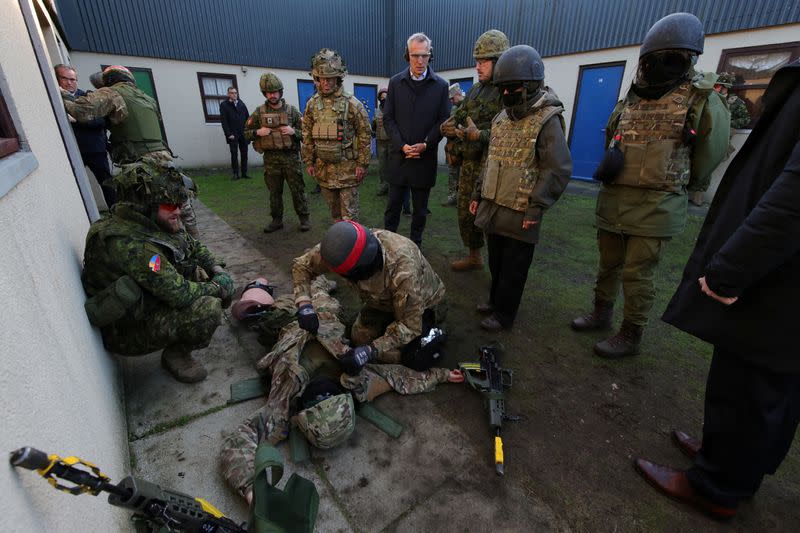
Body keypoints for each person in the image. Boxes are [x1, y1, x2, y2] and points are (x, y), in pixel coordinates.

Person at [634, 61, 800, 520]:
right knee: (775, 385)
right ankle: (735, 460)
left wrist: (731, 267)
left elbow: (793, 198)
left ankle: (716, 485)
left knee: (750, 381)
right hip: (781, 271)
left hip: (778, 278)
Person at [570, 13, 730, 358]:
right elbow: (613, 138)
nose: (658, 65)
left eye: (670, 58)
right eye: (654, 59)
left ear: (686, 59)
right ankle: (601, 313)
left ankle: (631, 333)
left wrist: (689, 185)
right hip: (616, 198)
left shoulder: (699, 99)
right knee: (608, 264)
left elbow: (710, 151)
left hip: (657, 204)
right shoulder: (632, 97)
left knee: (637, 272)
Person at [219, 276, 461, 504]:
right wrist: (442, 375)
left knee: (256, 305)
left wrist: (251, 491)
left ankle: (261, 286)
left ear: (303, 409)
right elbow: (398, 377)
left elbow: (237, 444)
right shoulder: (357, 384)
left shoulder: (282, 406)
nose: (325, 392)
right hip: (325, 318)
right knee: (321, 293)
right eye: (330, 395)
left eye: (319, 399)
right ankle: (320, 283)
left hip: (287, 325)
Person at [81, 163, 235, 383]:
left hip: (147, 303)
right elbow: (180, 293)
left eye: (179, 204)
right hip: (125, 331)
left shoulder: (153, 223)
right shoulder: (133, 246)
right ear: (145, 206)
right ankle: (176, 354)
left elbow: (192, 245)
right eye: (170, 205)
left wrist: (217, 270)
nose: (178, 210)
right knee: (209, 307)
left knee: (205, 278)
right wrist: (219, 287)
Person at [468, 45, 572, 332]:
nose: (506, 95)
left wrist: (537, 206)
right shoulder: (502, 117)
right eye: (502, 89)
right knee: (497, 260)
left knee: (515, 267)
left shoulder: (547, 119)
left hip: (521, 208)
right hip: (494, 204)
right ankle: (494, 300)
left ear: (529, 86)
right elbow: (490, 159)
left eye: (512, 89)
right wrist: (478, 193)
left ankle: (505, 314)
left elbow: (557, 168)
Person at [64, 65, 201, 237]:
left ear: (110, 81)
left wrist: (61, 94)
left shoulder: (111, 93)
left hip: (139, 163)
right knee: (178, 201)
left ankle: (166, 247)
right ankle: (195, 243)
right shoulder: (145, 97)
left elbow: (80, 110)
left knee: (148, 210)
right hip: (163, 156)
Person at [293, 220, 446, 367]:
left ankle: (431, 331)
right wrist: (304, 304)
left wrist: (369, 351)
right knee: (359, 337)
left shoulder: (403, 273)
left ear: (357, 272)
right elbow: (302, 265)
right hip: (381, 302)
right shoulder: (346, 244)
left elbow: (409, 326)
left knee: (411, 357)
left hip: (423, 304)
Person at [442, 30, 509, 269]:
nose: (478, 68)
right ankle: (474, 256)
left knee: (491, 219)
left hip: (493, 168)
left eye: (483, 62)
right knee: (465, 213)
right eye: (477, 62)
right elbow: (458, 117)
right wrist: (446, 127)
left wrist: (478, 134)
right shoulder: (476, 90)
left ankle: (498, 268)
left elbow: (512, 137)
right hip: (470, 165)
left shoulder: (507, 92)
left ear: (499, 62)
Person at [382, 32, 450, 247]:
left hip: (424, 160)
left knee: (420, 211)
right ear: (407, 56)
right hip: (399, 160)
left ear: (431, 55)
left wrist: (427, 144)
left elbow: (443, 120)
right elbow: (388, 118)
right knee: (393, 207)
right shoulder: (395, 83)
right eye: (415, 55)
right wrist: (402, 145)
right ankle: (387, 247)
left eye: (425, 55)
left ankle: (416, 248)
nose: (420, 61)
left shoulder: (441, 86)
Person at [301, 49, 371, 221]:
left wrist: (362, 164)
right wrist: (309, 161)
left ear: (338, 78)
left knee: (350, 218)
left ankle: (353, 246)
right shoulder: (311, 105)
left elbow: (365, 135)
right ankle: (339, 245)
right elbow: (307, 134)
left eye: (330, 78)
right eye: (322, 78)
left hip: (347, 170)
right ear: (316, 79)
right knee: (335, 215)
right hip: (323, 170)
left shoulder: (352, 104)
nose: (326, 83)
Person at [244, 73, 310, 233]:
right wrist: (258, 132)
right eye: (268, 92)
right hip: (271, 160)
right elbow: (246, 133)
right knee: (274, 192)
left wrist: (293, 131)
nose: (272, 95)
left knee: (298, 190)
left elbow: (308, 133)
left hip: (291, 158)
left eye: (275, 92)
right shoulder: (259, 113)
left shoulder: (292, 111)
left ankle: (304, 219)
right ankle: (276, 220)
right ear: (264, 94)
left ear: (280, 92)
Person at [689, 72, 753, 206]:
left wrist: (726, 124)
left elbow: (746, 119)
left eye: (719, 86)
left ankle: (698, 197)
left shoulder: (735, 102)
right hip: (703, 135)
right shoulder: (708, 98)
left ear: (725, 87)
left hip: (720, 138)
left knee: (709, 163)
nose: (717, 88)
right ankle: (690, 193)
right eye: (716, 85)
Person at [55, 64, 115, 207]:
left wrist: (78, 119)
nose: (69, 82)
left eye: (72, 79)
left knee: (108, 184)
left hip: (95, 150)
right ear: (57, 78)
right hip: (70, 151)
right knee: (72, 185)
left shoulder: (88, 97)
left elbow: (101, 121)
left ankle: (116, 213)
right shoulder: (55, 98)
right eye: (64, 78)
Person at [219, 86, 251, 180]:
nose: (234, 94)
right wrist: (229, 134)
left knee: (244, 153)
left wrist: (248, 130)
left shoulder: (241, 103)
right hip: (233, 134)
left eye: (235, 93)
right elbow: (224, 121)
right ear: (228, 94)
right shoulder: (224, 105)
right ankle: (235, 174)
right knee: (234, 154)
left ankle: (244, 173)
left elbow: (247, 118)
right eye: (232, 93)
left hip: (243, 133)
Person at [441, 82, 464, 207]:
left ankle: (461, 199)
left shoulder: (467, 105)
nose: (450, 101)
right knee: (452, 173)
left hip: (464, 148)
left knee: (463, 175)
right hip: (452, 147)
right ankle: (452, 198)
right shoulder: (454, 108)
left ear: (458, 94)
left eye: (452, 98)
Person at [372, 87, 391, 196]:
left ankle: (392, 187)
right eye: (382, 97)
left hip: (391, 142)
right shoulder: (376, 111)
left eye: (386, 97)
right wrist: (373, 123)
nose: (384, 99)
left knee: (392, 166)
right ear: (379, 98)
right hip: (380, 142)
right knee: (382, 167)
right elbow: (373, 128)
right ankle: (384, 186)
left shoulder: (394, 110)